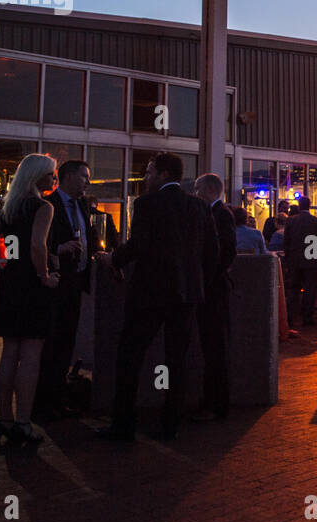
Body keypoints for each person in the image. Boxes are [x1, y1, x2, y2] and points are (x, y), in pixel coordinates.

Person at [98, 153, 218, 441]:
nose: (145, 177)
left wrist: (113, 259)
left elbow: (138, 245)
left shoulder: (146, 204)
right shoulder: (199, 207)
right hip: (186, 295)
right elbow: (212, 253)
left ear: (164, 174)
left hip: (149, 294)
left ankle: (124, 423)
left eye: (149, 172)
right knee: (177, 359)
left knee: (130, 355)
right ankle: (170, 423)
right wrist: (195, 280)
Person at [0, 154, 60, 446]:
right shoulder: (43, 207)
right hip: (32, 284)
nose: (53, 180)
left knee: (9, 352)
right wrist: (45, 275)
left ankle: (4, 418)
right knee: (31, 355)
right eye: (50, 175)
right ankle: (24, 422)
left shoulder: (10, 208)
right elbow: (38, 245)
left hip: (12, 280)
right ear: (38, 177)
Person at [33, 158, 100, 424]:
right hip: (55, 285)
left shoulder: (83, 205)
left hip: (76, 284)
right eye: (84, 177)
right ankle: (43, 403)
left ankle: (58, 399)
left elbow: (89, 237)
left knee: (66, 345)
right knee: (50, 345)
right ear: (69, 177)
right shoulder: (48, 205)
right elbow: (37, 243)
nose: (88, 182)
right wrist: (59, 250)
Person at [187, 174, 237, 423]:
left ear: (207, 190)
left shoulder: (220, 214)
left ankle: (216, 404)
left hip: (214, 291)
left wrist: (208, 276)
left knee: (215, 346)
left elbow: (227, 252)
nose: (194, 194)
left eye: (197, 189)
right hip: (212, 288)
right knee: (212, 346)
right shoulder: (216, 213)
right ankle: (214, 402)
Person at [281, 195, 317, 331]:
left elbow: (286, 241)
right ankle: (307, 317)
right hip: (312, 257)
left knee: (294, 289)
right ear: (310, 205)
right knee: (310, 289)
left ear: (299, 205)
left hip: (295, 260)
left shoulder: (291, 221)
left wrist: (288, 257)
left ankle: (291, 317)